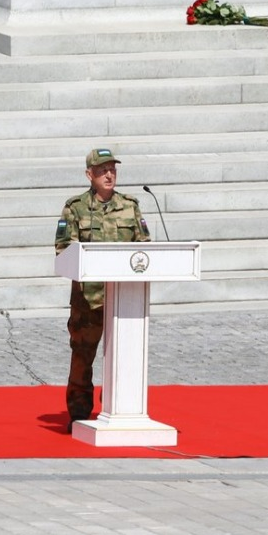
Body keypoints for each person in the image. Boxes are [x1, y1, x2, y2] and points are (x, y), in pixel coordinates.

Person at [53, 148, 149, 428]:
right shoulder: (75, 208)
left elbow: (145, 247)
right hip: (89, 298)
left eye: (112, 170)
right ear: (89, 175)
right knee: (83, 356)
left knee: (123, 356)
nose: (109, 175)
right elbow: (63, 249)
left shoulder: (130, 205)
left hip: (125, 299)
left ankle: (117, 409)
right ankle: (79, 415)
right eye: (101, 170)